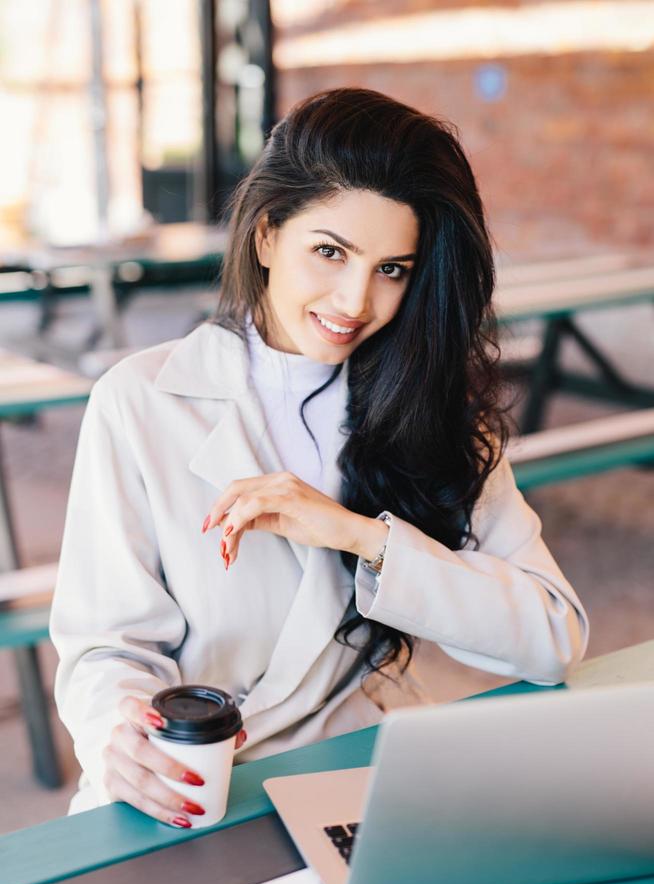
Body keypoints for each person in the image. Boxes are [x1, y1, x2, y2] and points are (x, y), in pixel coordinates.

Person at [50, 87, 589, 825]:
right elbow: (107, 646)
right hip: (183, 786)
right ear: (267, 237)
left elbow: (553, 635)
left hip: (356, 770)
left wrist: (359, 536)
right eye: (329, 252)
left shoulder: (431, 410)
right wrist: (123, 735)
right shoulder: (140, 401)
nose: (355, 300)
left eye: (392, 268)